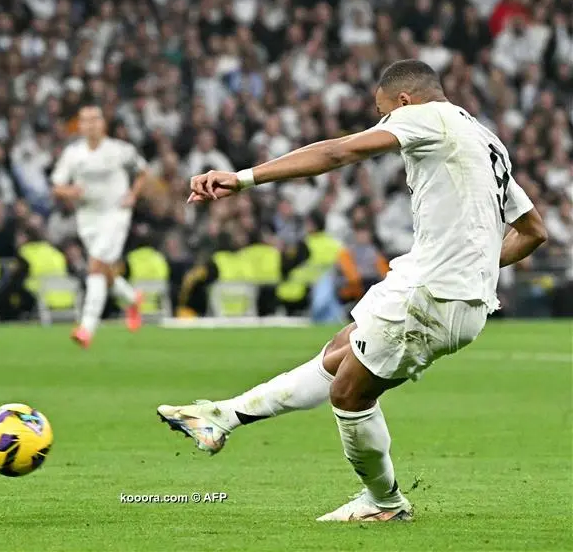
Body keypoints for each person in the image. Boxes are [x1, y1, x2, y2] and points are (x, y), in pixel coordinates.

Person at [157, 60, 547, 522]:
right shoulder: (484, 138)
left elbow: (337, 153)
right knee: (341, 349)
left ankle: (385, 502)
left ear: (404, 101)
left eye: (383, 113)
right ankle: (223, 416)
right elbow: (533, 231)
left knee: (350, 395)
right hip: (433, 283)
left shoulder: (425, 116)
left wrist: (243, 178)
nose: (384, 123)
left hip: (434, 292)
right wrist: (478, 266)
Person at [51, 102, 148, 348]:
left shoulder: (120, 150)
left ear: (103, 123)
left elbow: (143, 171)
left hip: (115, 214)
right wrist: (70, 191)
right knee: (103, 269)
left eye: (95, 119)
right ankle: (132, 298)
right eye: (85, 120)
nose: (91, 124)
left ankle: (86, 328)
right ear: (80, 125)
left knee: (95, 265)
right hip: (88, 217)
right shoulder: (73, 154)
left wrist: (133, 195)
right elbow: (57, 185)